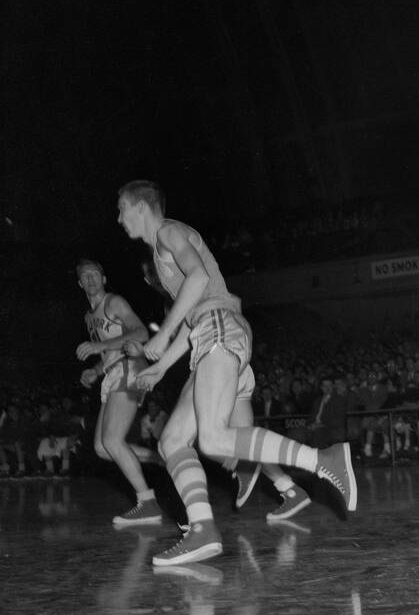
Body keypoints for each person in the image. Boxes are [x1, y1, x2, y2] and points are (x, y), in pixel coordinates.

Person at [117, 180, 357, 567]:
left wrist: (162, 340)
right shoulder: (164, 247)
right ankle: (203, 529)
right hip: (212, 334)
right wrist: (161, 366)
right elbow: (195, 314)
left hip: (218, 330)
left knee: (213, 438)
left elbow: (198, 284)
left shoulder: (167, 232)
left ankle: (323, 461)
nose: (118, 218)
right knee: (173, 441)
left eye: (121, 209)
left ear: (140, 206)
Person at [74, 258, 161, 525]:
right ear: (80, 284)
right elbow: (111, 350)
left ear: (103, 279)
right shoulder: (89, 317)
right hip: (113, 372)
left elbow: (141, 332)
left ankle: (147, 503)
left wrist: (99, 348)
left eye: (94, 275)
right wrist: (96, 370)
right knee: (102, 447)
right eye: (85, 276)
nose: (90, 280)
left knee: (113, 441)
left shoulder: (114, 302)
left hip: (131, 369)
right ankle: (164, 457)